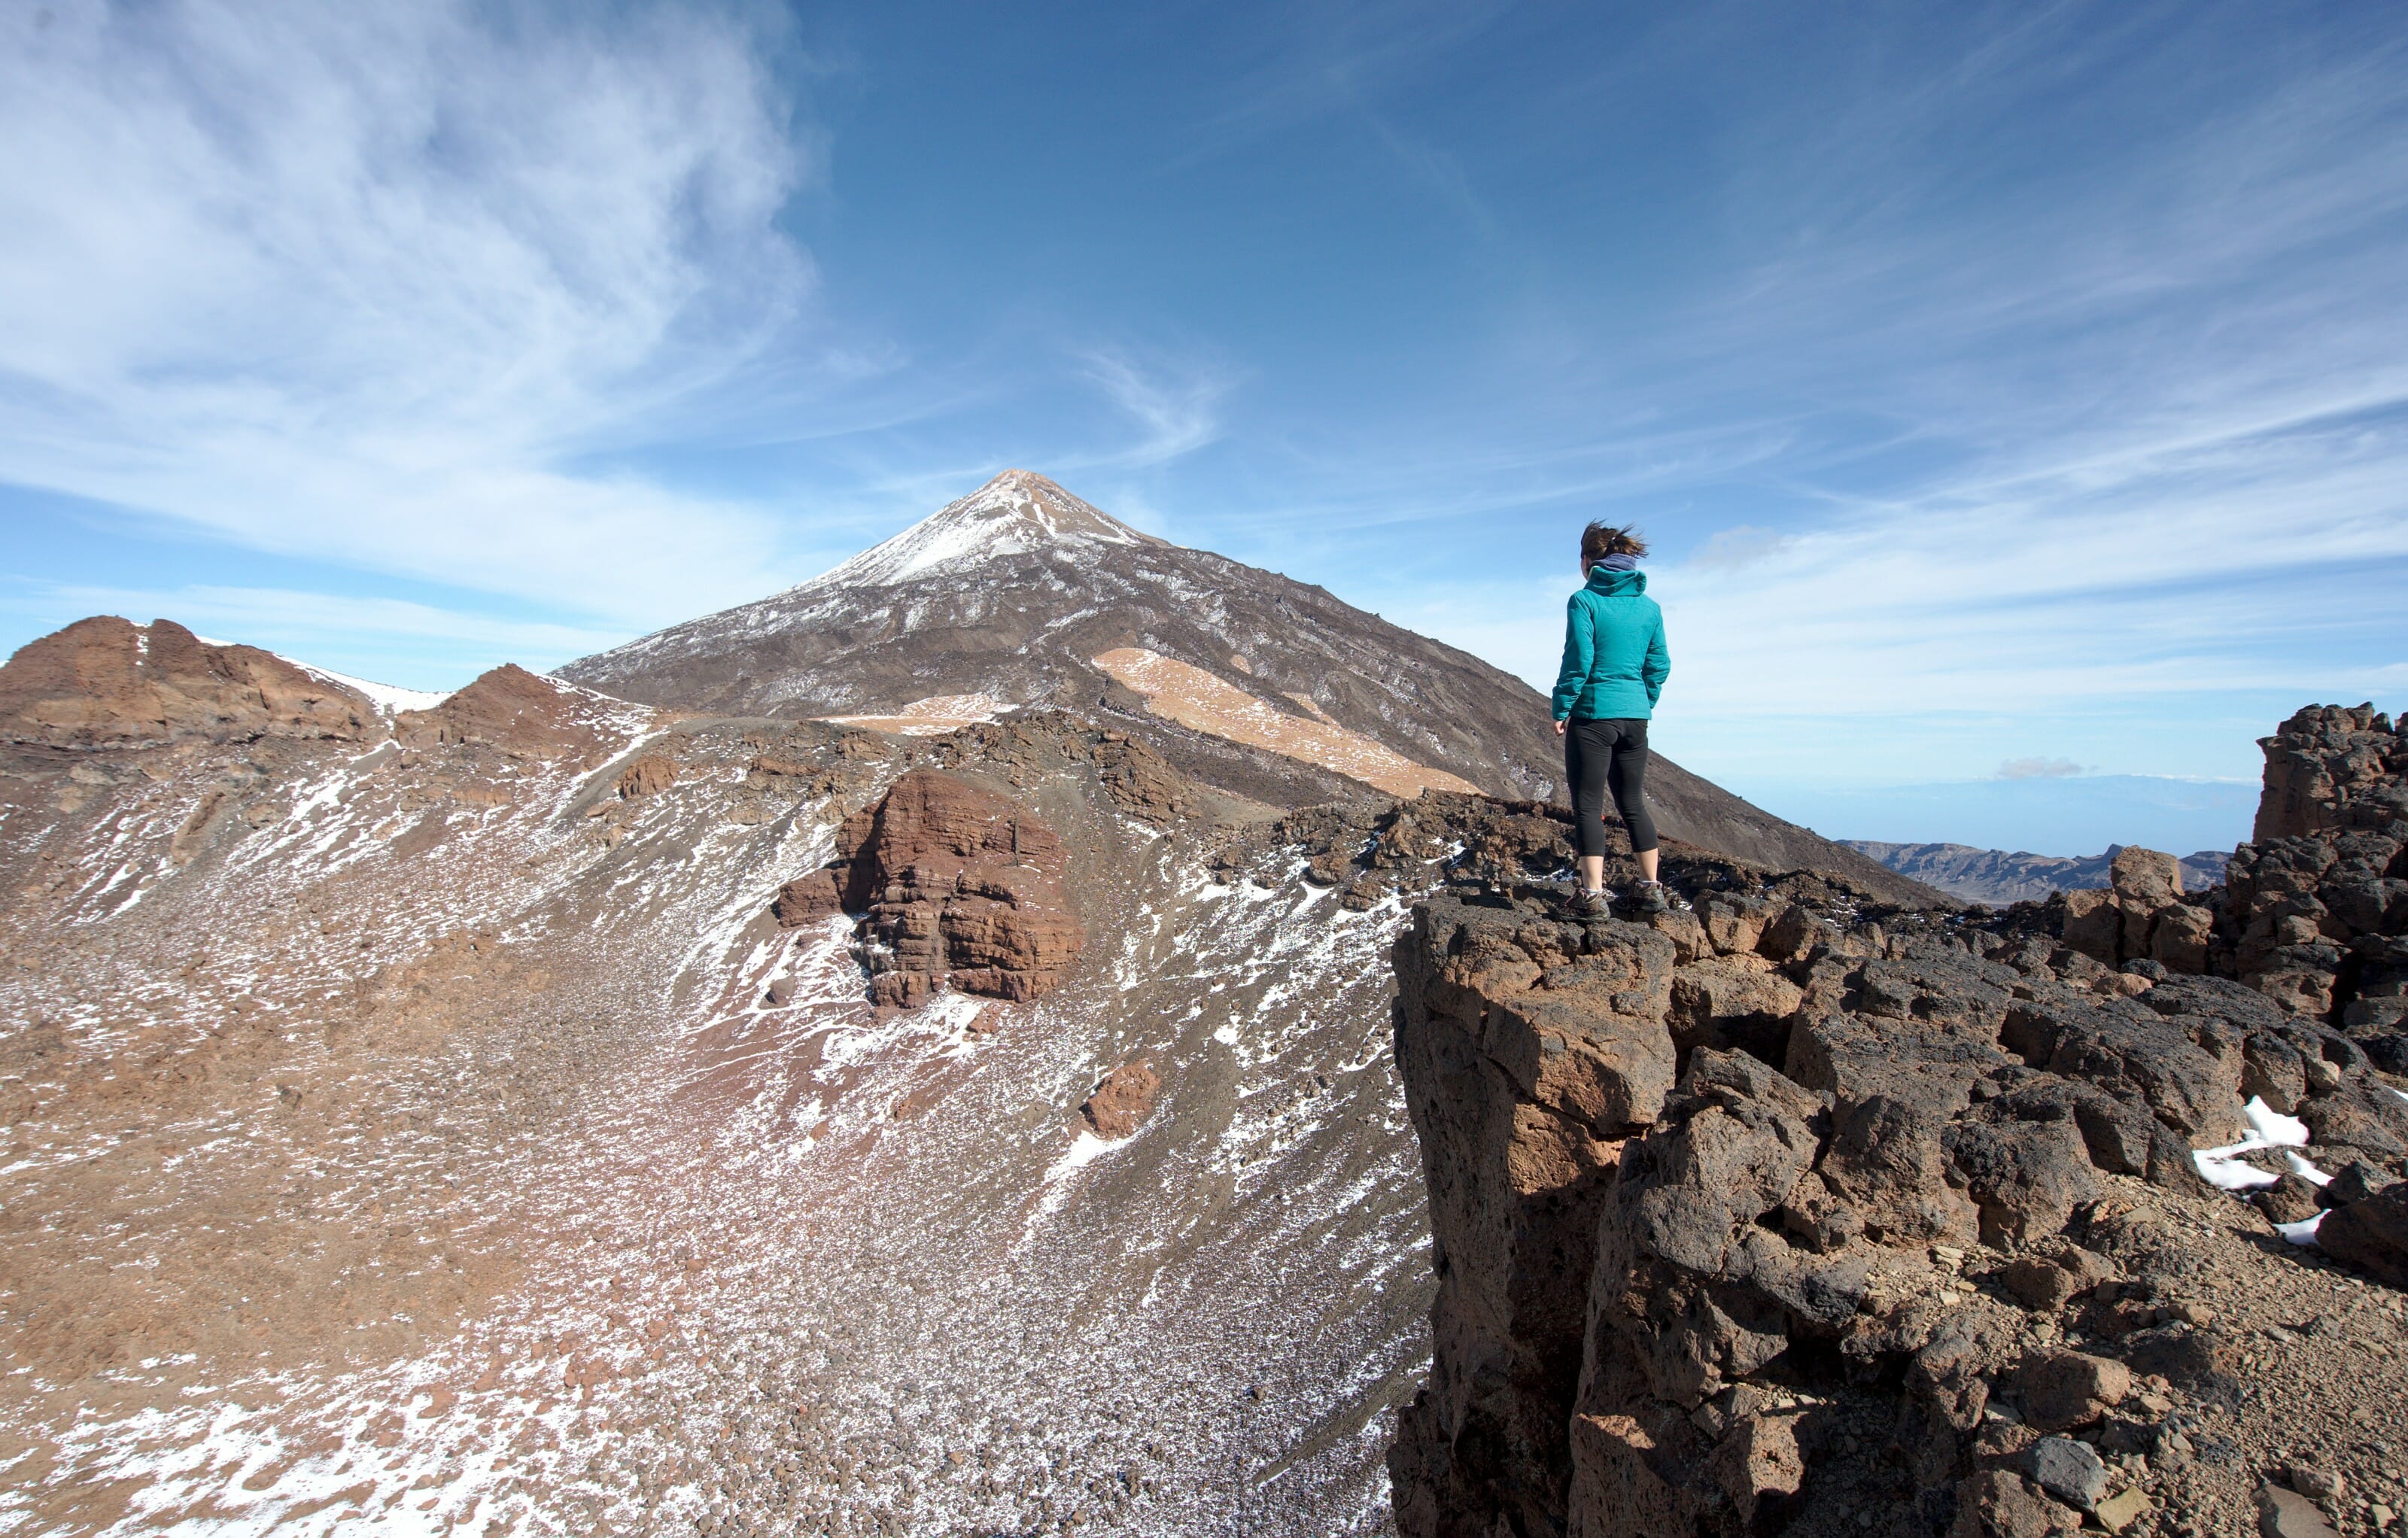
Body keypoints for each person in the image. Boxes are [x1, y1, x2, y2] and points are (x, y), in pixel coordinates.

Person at [1551, 521, 1671, 918]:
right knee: (1632, 801)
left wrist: (1563, 706)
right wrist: (1641, 701)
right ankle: (1651, 890)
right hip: (1635, 718)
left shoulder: (1584, 602)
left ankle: (1591, 897)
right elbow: (1659, 664)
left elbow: (1579, 660)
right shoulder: (1649, 607)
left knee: (1587, 805)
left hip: (1593, 716)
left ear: (1588, 561)